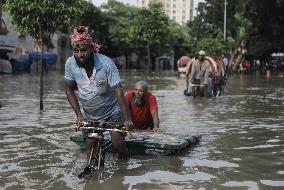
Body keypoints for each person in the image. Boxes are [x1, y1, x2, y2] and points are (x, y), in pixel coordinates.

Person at [64, 26, 133, 161]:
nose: (80, 55)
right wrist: (79, 115)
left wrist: (127, 118)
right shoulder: (70, 63)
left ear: (91, 48)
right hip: (90, 115)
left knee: (118, 144)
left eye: (83, 50)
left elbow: (119, 92)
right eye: (76, 51)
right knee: (91, 150)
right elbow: (68, 88)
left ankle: (124, 171)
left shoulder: (106, 63)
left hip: (112, 111)